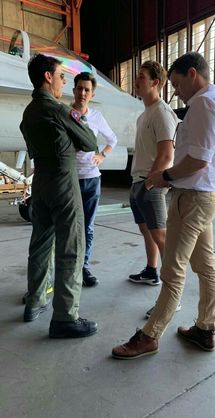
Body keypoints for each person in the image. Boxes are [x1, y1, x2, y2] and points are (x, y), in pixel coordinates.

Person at [112, 52, 215, 359]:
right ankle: (205, 328)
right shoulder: (211, 103)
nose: (175, 90)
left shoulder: (205, 104)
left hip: (192, 199)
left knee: (172, 271)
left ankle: (149, 335)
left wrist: (163, 176)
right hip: (202, 196)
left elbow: (197, 160)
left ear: (192, 73)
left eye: (177, 82)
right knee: (205, 267)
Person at [20, 53, 98, 339]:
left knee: (40, 243)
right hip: (64, 182)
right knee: (71, 247)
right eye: (61, 76)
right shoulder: (57, 108)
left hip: (40, 181)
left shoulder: (29, 111)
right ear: (48, 77)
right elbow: (90, 142)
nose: (65, 82)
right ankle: (66, 316)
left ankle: (35, 301)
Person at [127, 60, 180, 316]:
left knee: (161, 237)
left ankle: (172, 296)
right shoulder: (143, 114)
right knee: (148, 232)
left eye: (141, 76)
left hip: (152, 185)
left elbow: (166, 154)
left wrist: (150, 182)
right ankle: (151, 271)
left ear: (155, 82)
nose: (136, 80)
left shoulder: (162, 112)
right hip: (138, 182)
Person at [73, 72, 117, 286]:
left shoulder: (96, 117)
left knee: (88, 227)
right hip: (69, 179)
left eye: (87, 90)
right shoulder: (65, 113)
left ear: (92, 94)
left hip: (91, 179)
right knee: (69, 226)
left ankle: (84, 267)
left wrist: (102, 155)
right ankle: (68, 267)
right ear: (73, 90)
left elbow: (112, 139)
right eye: (79, 88)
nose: (82, 93)